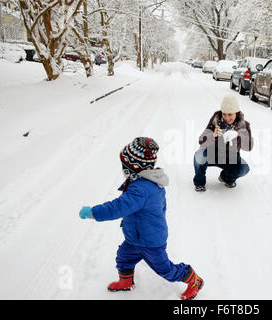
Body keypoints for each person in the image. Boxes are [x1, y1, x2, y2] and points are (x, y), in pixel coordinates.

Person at [79, 137, 204, 300]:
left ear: (133, 167)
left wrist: (92, 212)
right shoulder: (145, 182)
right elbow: (161, 208)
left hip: (150, 242)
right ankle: (126, 282)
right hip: (135, 238)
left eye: (124, 165)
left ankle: (194, 280)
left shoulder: (141, 189)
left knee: (165, 270)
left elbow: (117, 208)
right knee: (124, 258)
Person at [193, 95, 254, 192]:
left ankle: (226, 177)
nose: (226, 118)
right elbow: (201, 140)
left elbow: (249, 147)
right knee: (199, 156)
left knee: (244, 168)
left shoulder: (244, 125)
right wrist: (213, 136)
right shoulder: (216, 120)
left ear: (236, 113)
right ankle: (199, 182)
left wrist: (238, 134)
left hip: (231, 158)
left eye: (230, 114)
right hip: (212, 153)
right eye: (224, 114)